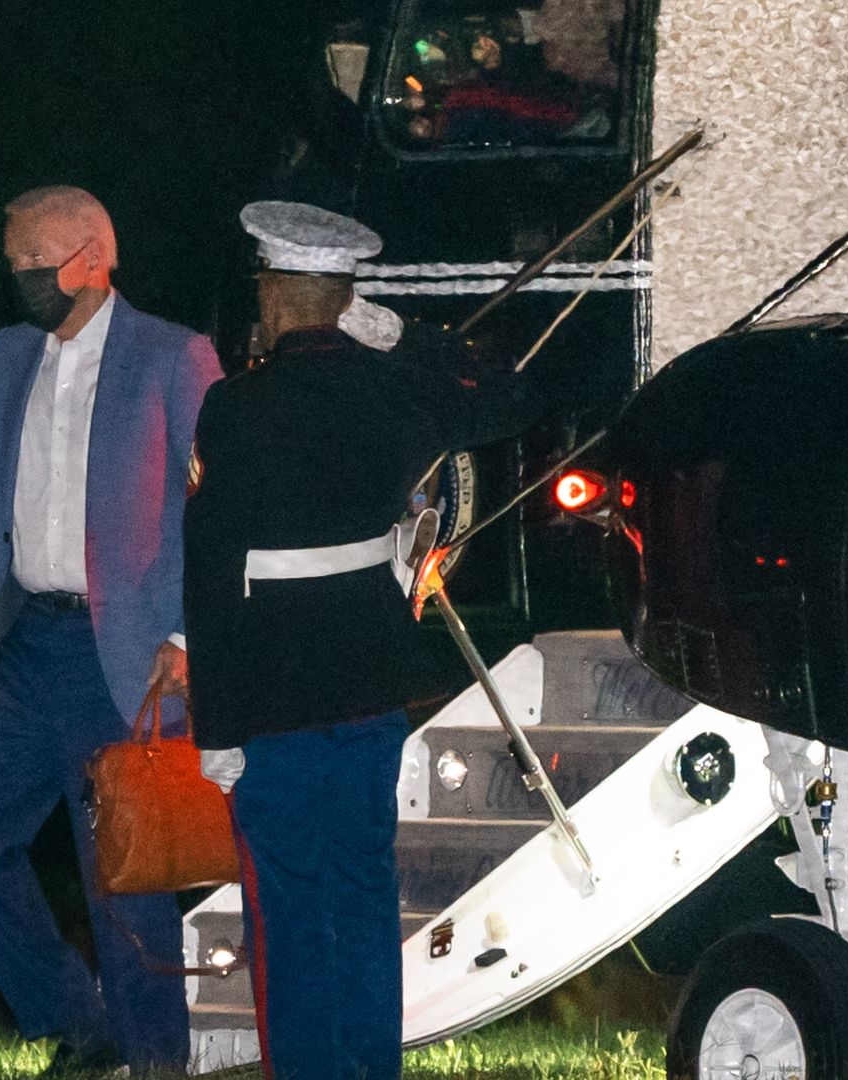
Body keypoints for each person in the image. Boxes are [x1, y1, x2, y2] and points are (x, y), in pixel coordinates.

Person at [0, 185, 220, 1074]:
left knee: (124, 870)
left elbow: (217, 509)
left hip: (128, 649)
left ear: (92, 257)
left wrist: (185, 634)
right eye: (14, 264)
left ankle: (152, 1058)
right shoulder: (7, 355)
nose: (21, 277)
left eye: (35, 261)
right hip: (27, 643)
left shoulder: (173, 356)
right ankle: (80, 1020)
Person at [184, 202, 534, 1080]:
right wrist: (411, 339)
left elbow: (213, 573)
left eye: (264, 285)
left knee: (293, 913)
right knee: (363, 897)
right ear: (346, 301)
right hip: (371, 680)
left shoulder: (234, 407)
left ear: (280, 292)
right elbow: (517, 395)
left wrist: (215, 728)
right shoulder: (396, 388)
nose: (258, 301)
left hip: (274, 692)